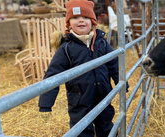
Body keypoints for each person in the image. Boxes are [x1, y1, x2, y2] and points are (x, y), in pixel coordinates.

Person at [38, 0, 128, 136]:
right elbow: (53, 74)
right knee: (82, 130)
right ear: (69, 24)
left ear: (93, 21)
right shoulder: (66, 48)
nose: (81, 21)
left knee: (106, 126)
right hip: (79, 100)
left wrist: (122, 83)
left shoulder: (101, 43)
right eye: (75, 18)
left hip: (103, 96)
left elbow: (114, 64)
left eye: (85, 17)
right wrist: (46, 102)